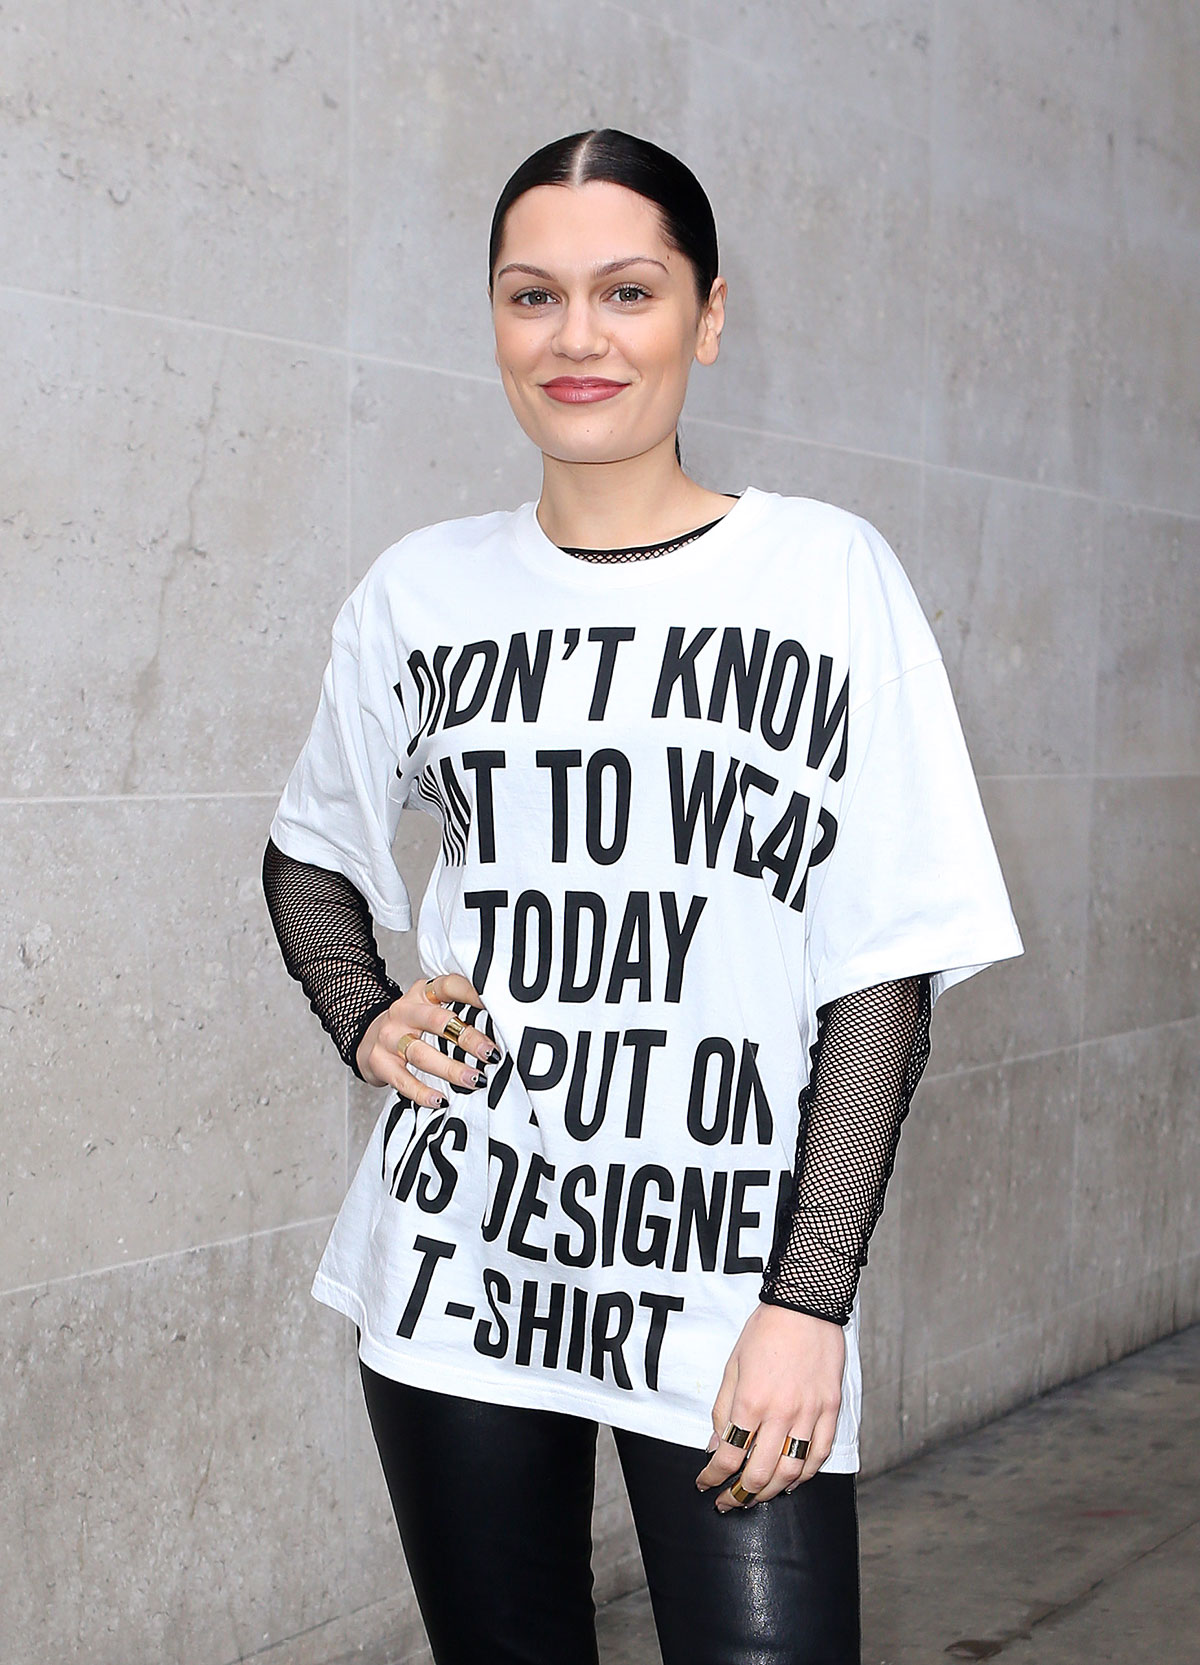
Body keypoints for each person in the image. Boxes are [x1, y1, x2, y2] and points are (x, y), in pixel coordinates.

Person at [262, 129, 1023, 1665]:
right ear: (495, 320)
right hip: (466, 1266)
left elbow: (882, 970)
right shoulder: (419, 591)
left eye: (628, 290)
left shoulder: (828, 575)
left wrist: (810, 1299)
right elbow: (309, 851)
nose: (579, 337)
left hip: (734, 1292)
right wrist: (366, 1012)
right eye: (532, 295)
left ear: (707, 315)